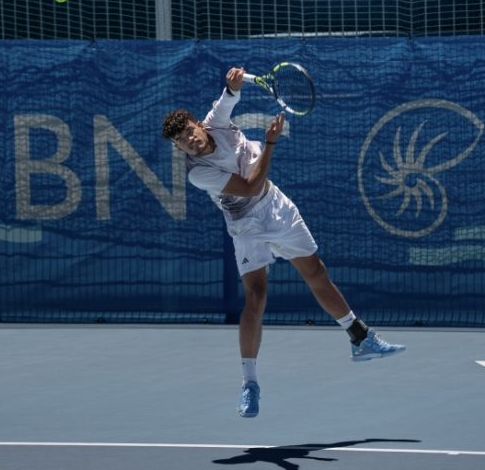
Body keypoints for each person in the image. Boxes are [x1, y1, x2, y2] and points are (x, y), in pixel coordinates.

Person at [161, 68, 405, 418]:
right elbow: (250, 188)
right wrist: (270, 143)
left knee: (316, 272)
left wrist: (236, 80)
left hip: (277, 208)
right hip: (246, 223)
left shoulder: (217, 120)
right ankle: (250, 384)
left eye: (189, 132)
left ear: (199, 124)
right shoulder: (199, 173)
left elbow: (230, 91)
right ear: (179, 147)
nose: (190, 141)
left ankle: (360, 336)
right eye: (182, 141)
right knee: (256, 297)